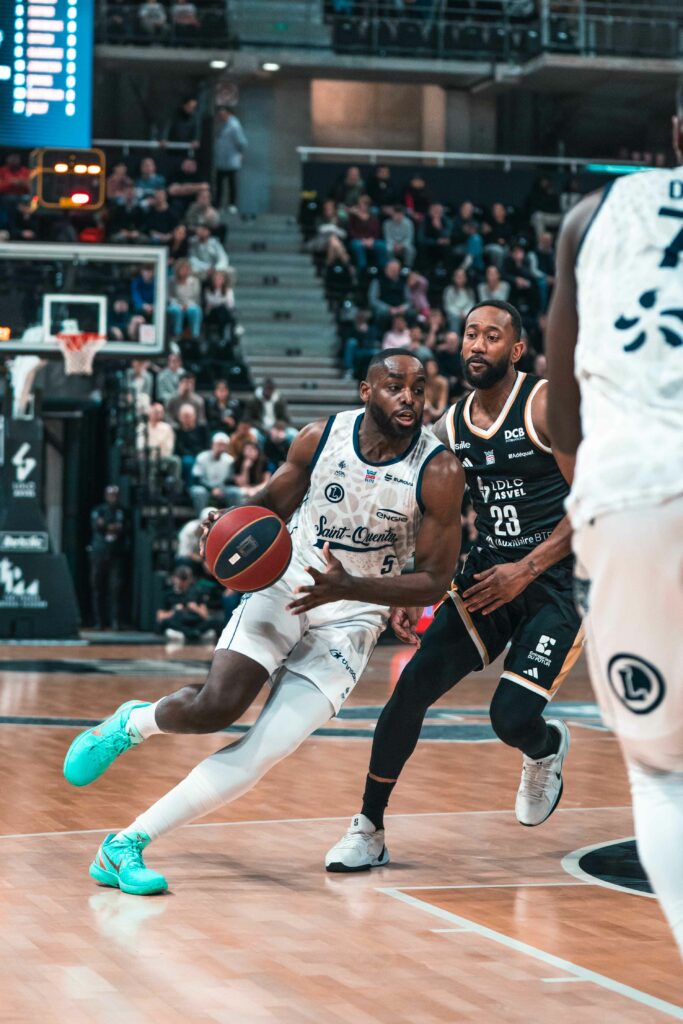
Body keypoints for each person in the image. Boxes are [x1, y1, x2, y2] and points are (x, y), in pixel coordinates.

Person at [63, 351, 464, 895]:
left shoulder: (438, 470)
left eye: (418, 388)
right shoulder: (319, 438)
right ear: (366, 391)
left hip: (355, 612)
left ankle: (124, 845)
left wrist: (351, 587)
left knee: (263, 752)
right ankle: (134, 723)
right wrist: (225, 526)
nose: (409, 398)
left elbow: (435, 581)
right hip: (289, 579)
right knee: (216, 707)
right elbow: (269, 505)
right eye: (395, 386)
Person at [326, 300, 583, 872]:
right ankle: (369, 826)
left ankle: (545, 748)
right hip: (489, 575)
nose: (477, 345)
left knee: (509, 718)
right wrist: (409, 580)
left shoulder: (546, 406)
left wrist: (527, 570)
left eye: (492, 336)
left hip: (558, 580)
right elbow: (423, 508)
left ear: (516, 350)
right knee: (411, 688)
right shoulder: (449, 427)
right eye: (471, 334)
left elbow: (593, 504)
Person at [545, 84, 683, 958]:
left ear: (675, 132)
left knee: (662, 771)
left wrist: (590, 506)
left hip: (631, 492)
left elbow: (562, 414)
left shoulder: (590, 216)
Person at [89, 486, 126, 631]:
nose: (113, 498)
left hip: (115, 554)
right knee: (97, 587)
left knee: (116, 588)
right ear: (106, 496)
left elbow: (122, 527)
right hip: (99, 553)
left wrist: (107, 526)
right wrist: (109, 526)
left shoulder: (122, 511)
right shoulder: (99, 510)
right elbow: (97, 526)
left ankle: (116, 621)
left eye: (115, 495)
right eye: (111, 495)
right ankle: (99, 621)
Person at [155, 565, 218, 645]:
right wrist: (174, 611)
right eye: (180, 579)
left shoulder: (196, 592)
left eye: (185, 580)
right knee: (166, 622)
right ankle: (192, 633)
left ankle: (192, 633)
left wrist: (195, 608)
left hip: (194, 622)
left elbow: (205, 616)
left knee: (212, 622)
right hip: (179, 624)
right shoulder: (168, 594)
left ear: (190, 580)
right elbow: (160, 617)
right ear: (174, 578)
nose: (183, 583)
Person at [189, 432, 235, 516]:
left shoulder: (230, 460)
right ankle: (200, 518)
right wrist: (211, 489)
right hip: (204, 487)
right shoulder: (202, 457)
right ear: (213, 444)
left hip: (222, 489)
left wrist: (220, 489)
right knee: (199, 492)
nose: (220, 447)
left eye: (223, 445)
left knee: (235, 492)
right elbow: (197, 478)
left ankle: (234, 518)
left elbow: (230, 480)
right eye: (218, 444)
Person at [214, 107, 247, 212]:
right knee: (219, 183)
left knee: (232, 183)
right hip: (222, 159)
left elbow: (241, 141)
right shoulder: (222, 124)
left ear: (228, 114)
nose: (220, 117)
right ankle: (218, 204)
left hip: (231, 159)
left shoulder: (234, 125)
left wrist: (241, 153)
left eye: (222, 114)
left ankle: (232, 204)